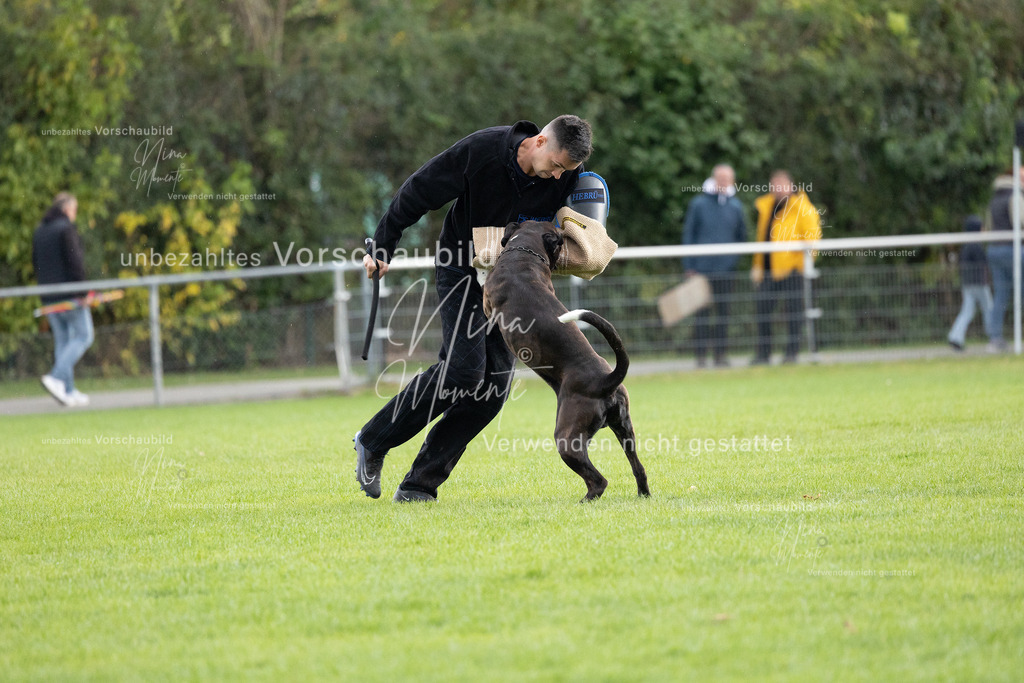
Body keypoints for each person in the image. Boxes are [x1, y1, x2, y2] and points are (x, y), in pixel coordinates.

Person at [354, 115, 592, 502]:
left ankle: (418, 485)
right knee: (465, 372)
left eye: (566, 171)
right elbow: (419, 191)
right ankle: (373, 440)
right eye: (555, 165)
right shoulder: (482, 151)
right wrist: (382, 246)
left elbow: (587, 213)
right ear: (539, 142)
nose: (556, 177)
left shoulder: (568, 174)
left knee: (492, 390)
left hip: (511, 282)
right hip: (460, 266)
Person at [750, 170, 822, 364]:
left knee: (794, 314)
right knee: (763, 311)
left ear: (791, 186)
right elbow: (762, 239)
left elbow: (812, 240)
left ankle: (792, 354)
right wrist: (757, 267)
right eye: (774, 185)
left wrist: (801, 266)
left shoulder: (802, 208)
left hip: (792, 270)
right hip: (768, 271)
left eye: (781, 185)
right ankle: (763, 355)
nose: (777, 189)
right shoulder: (766, 207)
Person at [682, 164, 748, 367]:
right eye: (720, 178)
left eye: (727, 179)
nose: (723, 182)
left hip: (726, 271)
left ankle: (720, 355)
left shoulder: (736, 206)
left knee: (723, 314)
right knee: (701, 315)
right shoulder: (699, 204)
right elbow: (689, 234)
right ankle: (701, 356)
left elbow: (741, 237)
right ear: (713, 178)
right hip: (701, 270)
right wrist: (690, 266)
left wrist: (732, 261)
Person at [32, 192, 94, 406]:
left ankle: (67, 391)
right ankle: (56, 377)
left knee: (63, 341)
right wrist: (83, 293)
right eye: (74, 209)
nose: (74, 214)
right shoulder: (65, 228)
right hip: (70, 297)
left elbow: (36, 264)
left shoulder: (40, 231)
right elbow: (75, 262)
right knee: (84, 336)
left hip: (48, 297)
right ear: (67, 209)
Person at [984, 167, 1024, 352]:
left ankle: (995, 338)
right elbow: (1021, 222)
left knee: (1000, 295)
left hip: (994, 250)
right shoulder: (1015, 196)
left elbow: (987, 228)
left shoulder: (994, 200)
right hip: (1013, 249)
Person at [947, 215, 993, 352]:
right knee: (989, 308)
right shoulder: (976, 246)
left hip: (967, 284)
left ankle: (955, 337)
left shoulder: (966, 245)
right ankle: (994, 336)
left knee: (967, 311)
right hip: (979, 283)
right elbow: (984, 264)